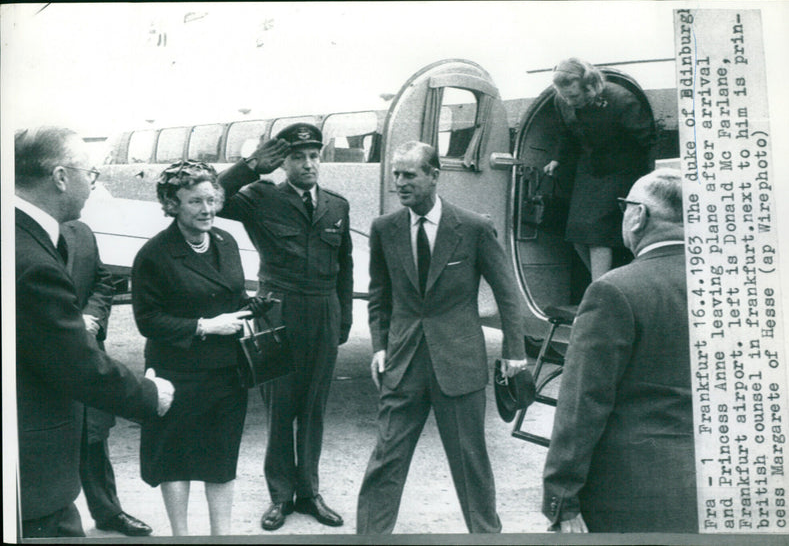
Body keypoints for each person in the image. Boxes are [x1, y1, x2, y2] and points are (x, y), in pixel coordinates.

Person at [356, 141, 527, 534]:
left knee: (471, 463)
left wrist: (515, 353)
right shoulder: (385, 228)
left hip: (459, 363)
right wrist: (380, 346)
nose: (399, 183)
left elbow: (506, 292)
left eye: (409, 174)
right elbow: (379, 295)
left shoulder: (473, 226)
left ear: (434, 175)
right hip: (402, 364)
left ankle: (486, 535)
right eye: (396, 174)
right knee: (386, 460)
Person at [14, 126, 174, 538]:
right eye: (91, 173)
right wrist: (149, 396)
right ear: (61, 177)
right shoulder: (31, 259)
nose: (94, 184)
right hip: (32, 485)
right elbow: (75, 365)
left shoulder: (26, 236)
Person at [542, 169, 697, 533]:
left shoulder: (614, 291)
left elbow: (582, 404)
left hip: (630, 493)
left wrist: (561, 498)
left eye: (624, 206)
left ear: (638, 215)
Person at [217, 123, 353, 531]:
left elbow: (344, 267)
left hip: (324, 310)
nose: (308, 163)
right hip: (278, 310)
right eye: (297, 156)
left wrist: (343, 317)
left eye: (313, 155)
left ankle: (309, 492)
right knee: (280, 406)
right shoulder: (260, 197)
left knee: (314, 407)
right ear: (284, 162)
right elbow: (215, 198)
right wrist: (249, 166)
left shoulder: (336, 205)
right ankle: (280, 496)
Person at [131, 160, 270, 536]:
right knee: (174, 459)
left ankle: (221, 536)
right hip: (176, 373)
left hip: (226, 373)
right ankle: (181, 536)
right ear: (172, 204)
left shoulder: (225, 241)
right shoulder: (154, 254)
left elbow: (233, 293)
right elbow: (147, 320)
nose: (207, 209)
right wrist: (204, 326)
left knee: (220, 458)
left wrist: (250, 307)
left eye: (212, 200)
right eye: (195, 202)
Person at [61, 219, 153, 537]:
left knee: (94, 433)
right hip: (37, 359)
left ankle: (108, 511)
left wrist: (93, 317)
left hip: (87, 352)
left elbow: (102, 281)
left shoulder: (81, 231)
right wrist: (69, 324)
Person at [543, 57, 656, 281]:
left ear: (590, 86)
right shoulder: (562, 100)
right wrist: (558, 159)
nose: (569, 101)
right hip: (589, 170)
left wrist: (650, 177)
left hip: (622, 168)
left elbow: (646, 139)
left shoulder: (621, 100)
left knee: (597, 235)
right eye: (564, 96)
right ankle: (608, 282)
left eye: (573, 96)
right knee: (577, 236)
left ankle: (600, 289)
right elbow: (565, 133)